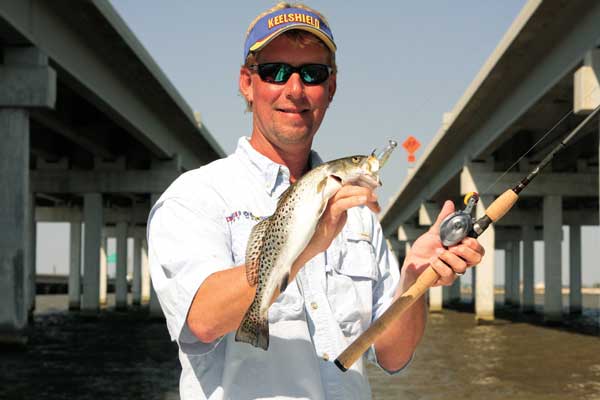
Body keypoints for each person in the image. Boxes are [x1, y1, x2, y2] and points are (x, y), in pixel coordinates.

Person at [147, 2, 485, 399]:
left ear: (331, 87)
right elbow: (202, 320)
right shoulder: (196, 196)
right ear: (246, 83)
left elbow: (392, 356)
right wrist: (305, 246)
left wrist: (415, 279)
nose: (294, 89)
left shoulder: (359, 215)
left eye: (312, 73)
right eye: (275, 72)